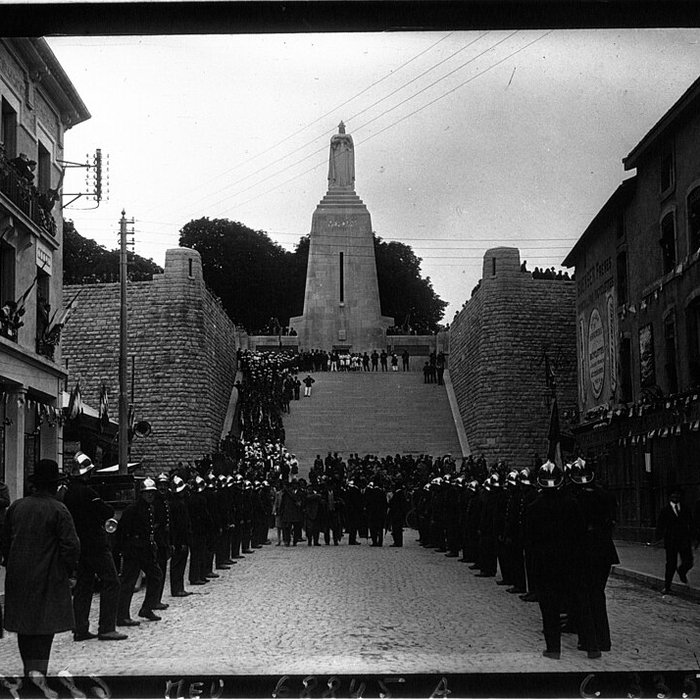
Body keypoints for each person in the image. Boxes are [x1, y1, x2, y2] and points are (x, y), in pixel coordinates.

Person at [1, 459, 80, 678]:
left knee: (24, 629)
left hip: (19, 579)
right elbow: (71, 546)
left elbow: (5, 542)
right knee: (44, 631)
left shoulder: (17, 507)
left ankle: (29, 670)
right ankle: (38, 675)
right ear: (54, 486)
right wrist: (69, 572)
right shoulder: (58, 509)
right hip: (48, 579)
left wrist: (13, 563)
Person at [62, 451, 127, 642]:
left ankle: (80, 628)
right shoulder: (88, 492)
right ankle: (106, 628)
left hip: (80, 544)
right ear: (85, 473)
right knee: (112, 582)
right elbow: (105, 511)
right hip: (96, 544)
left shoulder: (69, 493)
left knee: (84, 585)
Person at [115, 478, 164, 626]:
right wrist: (123, 550)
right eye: (147, 493)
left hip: (145, 550)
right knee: (128, 583)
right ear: (141, 494)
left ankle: (147, 608)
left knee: (156, 576)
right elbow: (123, 531)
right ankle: (122, 616)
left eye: (152, 493)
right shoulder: (132, 509)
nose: (150, 496)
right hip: (134, 550)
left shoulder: (150, 508)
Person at [655, 486, 698, 594]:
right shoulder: (665, 510)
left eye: (678, 494)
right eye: (673, 494)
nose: (676, 496)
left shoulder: (685, 509)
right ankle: (667, 586)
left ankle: (682, 571)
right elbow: (660, 526)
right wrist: (658, 539)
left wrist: (696, 538)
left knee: (689, 561)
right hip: (671, 541)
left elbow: (691, 524)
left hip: (684, 539)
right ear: (670, 496)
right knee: (670, 564)